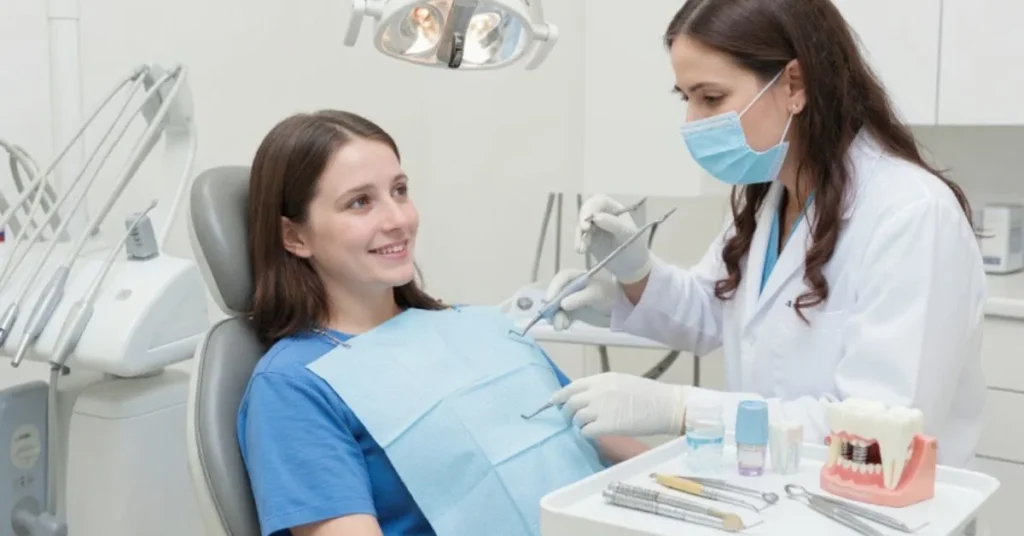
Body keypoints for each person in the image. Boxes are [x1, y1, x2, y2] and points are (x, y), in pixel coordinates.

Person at [544, 0, 986, 470]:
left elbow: (877, 437)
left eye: (710, 98)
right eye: (685, 98)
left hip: (876, 511)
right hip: (780, 489)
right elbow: (713, 310)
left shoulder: (911, 214)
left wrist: (682, 410)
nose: (693, 123)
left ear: (794, 84)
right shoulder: (771, 199)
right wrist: (633, 281)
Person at [237, 110, 648, 536]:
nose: (397, 219)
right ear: (295, 237)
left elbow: (617, 449)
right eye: (360, 202)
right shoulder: (292, 387)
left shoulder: (480, 325)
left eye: (399, 191)